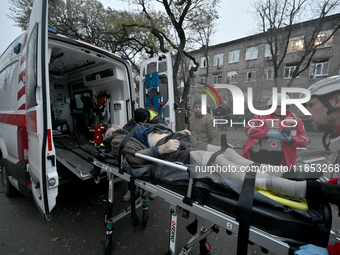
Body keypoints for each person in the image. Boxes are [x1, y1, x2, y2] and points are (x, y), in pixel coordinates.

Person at [103, 122, 340, 209]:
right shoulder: (118, 138)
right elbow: (132, 157)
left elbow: (154, 130)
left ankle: (296, 175)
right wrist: (159, 150)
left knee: (233, 156)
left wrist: (175, 131)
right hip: (174, 150)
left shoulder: (134, 124)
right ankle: (309, 190)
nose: (112, 126)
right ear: (108, 135)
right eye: (108, 128)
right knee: (224, 163)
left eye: (112, 126)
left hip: (180, 139)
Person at [242, 93, 310, 167]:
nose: (280, 109)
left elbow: (305, 140)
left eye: (283, 106)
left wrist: (292, 140)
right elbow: (249, 130)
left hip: (284, 158)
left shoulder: (296, 120)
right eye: (277, 106)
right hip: (260, 156)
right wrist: (266, 134)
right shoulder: (260, 117)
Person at [122, 108, 161, 201]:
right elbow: (126, 128)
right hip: (140, 145)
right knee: (131, 163)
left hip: (151, 145)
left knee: (153, 163)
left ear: (147, 118)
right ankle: (131, 189)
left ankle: (153, 188)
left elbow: (161, 133)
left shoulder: (156, 120)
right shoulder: (136, 118)